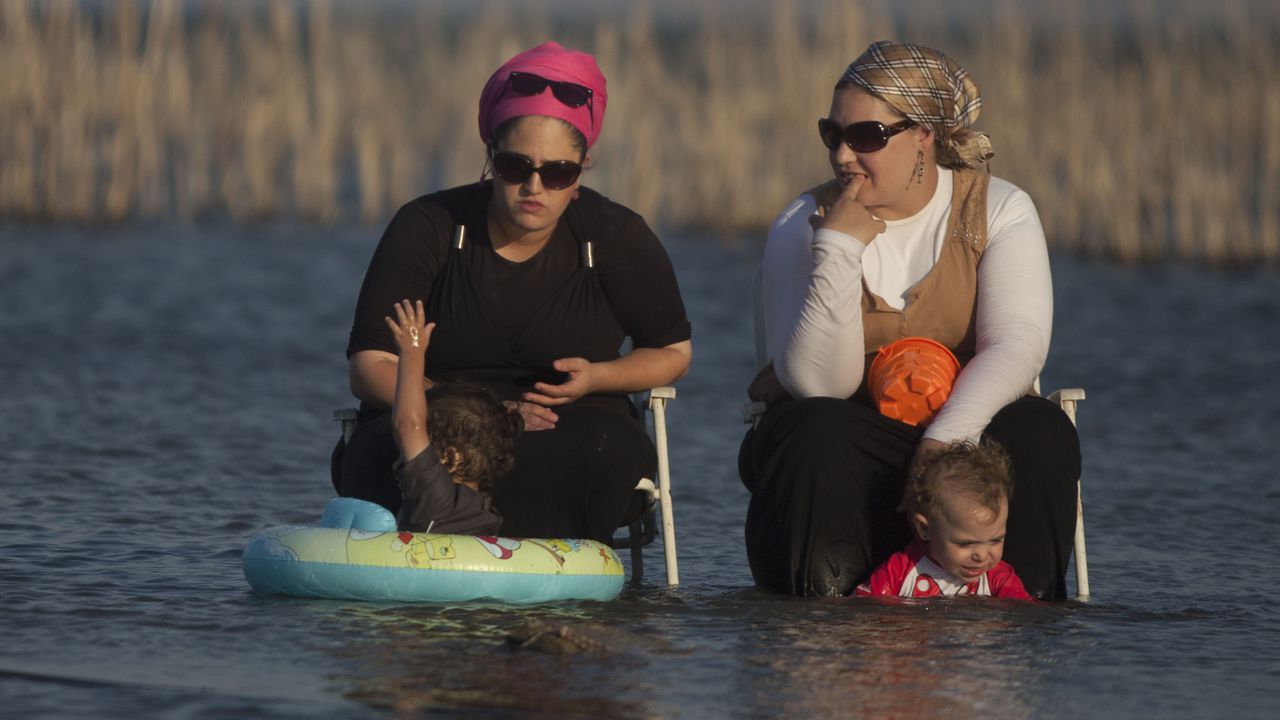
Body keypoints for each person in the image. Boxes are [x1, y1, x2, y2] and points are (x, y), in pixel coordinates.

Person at [739, 41, 1080, 600]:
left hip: (963, 440)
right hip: (851, 443)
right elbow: (819, 385)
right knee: (811, 428)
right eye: (833, 134)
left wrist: (944, 440)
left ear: (924, 135)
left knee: (1043, 430)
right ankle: (822, 625)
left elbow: (1017, 345)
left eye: (867, 137)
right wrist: (839, 248)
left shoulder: (999, 208)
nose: (844, 156)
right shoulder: (802, 222)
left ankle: (1024, 623)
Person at [333, 42, 692, 544]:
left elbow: (673, 352)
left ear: (584, 167)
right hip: (437, 416)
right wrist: (476, 410)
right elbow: (369, 366)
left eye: (558, 172)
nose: (534, 187)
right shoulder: (428, 225)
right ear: (490, 159)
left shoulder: (616, 235)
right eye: (516, 167)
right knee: (387, 451)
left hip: (573, 417)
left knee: (598, 449)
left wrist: (598, 377)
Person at [383, 299, 521, 535]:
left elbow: (408, 424)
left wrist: (412, 353)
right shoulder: (482, 508)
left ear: (449, 458)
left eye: (429, 441)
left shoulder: (435, 495)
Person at [855, 441, 1031, 599]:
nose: (982, 556)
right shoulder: (897, 574)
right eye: (966, 544)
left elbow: (1022, 621)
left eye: (995, 540)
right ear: (924, 529)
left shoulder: (1000, 580)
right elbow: (862, 615)